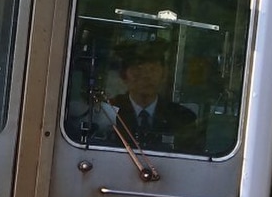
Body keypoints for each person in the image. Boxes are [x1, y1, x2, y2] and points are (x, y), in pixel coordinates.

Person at [67, 41, 204, 153]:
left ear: (164, 74)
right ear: (123, 75)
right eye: (138, 70)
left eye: (152, 69)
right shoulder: (106, 113)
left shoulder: (183, 118)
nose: (145, 76)